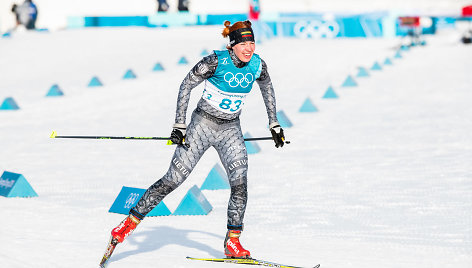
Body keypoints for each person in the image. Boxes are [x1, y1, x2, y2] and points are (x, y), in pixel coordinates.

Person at [108, 20, 286, 259]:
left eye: (252, 42)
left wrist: (273, 123)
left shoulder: (257, 65)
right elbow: (185, 85)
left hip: (231, 130)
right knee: (173, 179)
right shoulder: (214, 62)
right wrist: (179, 125)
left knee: (240, 184)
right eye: (243, 43)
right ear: (232, 45)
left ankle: (233, 241)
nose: (248, 48)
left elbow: (268, 89)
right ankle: (128, 223)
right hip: (201, 126)